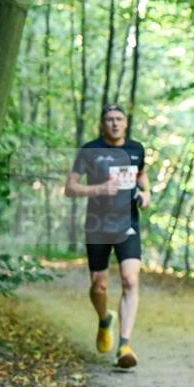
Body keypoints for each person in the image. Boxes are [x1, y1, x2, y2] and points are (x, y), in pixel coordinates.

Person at [65, 104, 150, 369]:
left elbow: (142, 176)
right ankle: (104, 320)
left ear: (126, 123)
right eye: (109, 119)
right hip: (98, 225)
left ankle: (125, 344)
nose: (114, 123)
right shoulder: (90, 150)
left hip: (128, 225)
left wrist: (146, 193)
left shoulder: (136, 149)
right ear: (103, 124)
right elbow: (70, 188)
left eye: (119, 119)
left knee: (129, 279)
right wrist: (99, 188)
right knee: (99, 285)